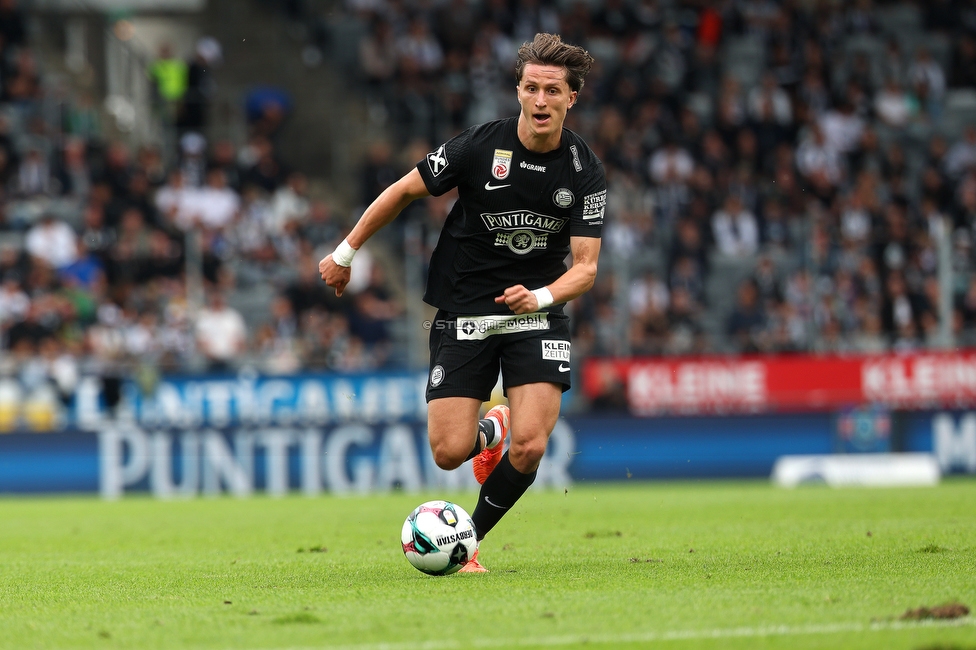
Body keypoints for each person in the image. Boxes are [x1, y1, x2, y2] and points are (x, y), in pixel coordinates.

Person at [319, 33, 605, 573]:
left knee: (531, 446)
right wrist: (345, 252)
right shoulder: (479, 147)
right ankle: (488, 429)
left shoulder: (584, 169)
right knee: (449, 451)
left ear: (572, 99)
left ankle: (468, 541)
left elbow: (586, 270)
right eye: (530, 88)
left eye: (552, 91)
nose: (540, 100)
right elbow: (404, 190)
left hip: (536, 315)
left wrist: (540, 296)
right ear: (517, 91)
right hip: (465, 310)